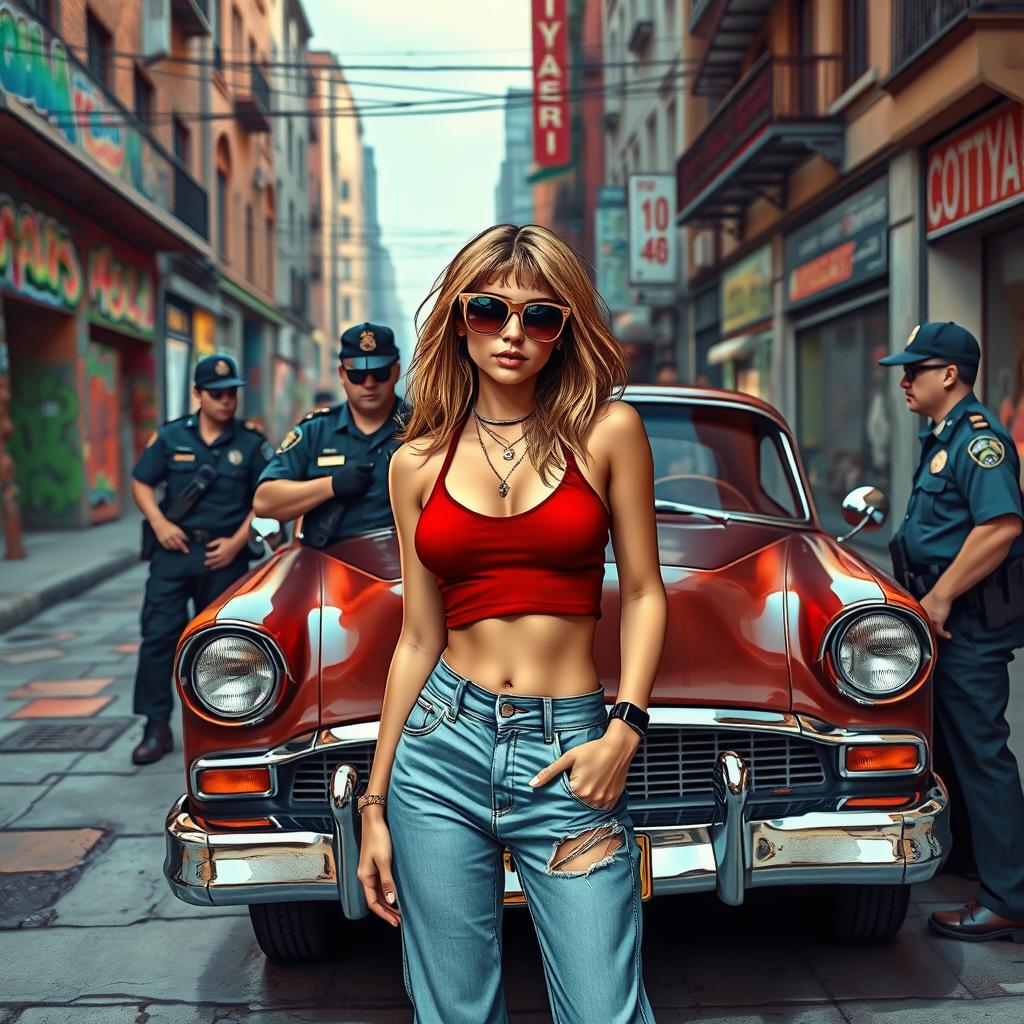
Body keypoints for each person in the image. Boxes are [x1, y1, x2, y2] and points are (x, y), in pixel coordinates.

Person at [356, 224, 666, 1023]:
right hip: (439, 752)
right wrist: (375, 805)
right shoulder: (414, 462)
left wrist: (624, 727)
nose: (513, 333)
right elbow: (417, 637)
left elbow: (642, 591)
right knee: (454, 1011)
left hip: (570, 750)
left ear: (564, 332)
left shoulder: (609, 432)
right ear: (460, 320)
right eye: (491, 310)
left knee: (604, 1009)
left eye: (541, 317)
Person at [880, 321, 1024, 941]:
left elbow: (1001, 526)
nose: (904, 379)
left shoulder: (978, 443)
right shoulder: (942, 436)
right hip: (942, 617)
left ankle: (1007, 897)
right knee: (955, 750)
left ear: (950, 374)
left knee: (982, 755)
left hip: (964, 622)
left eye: (916, 368)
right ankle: (976, 865)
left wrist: (937, 600)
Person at [129, 354, 272, 765]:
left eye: (232, 393)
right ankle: (155, 727)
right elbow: (141, 481)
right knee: (158, 639)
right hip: (173, 553)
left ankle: (223, 728)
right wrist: (158, 523)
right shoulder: (172, 438)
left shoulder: (249, 444)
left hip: (223, 558)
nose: (227, 401)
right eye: (217, 394)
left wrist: (237, 541)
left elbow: (267, 496)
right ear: (197, 394)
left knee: (226, 647)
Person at [253, 322, 405, 546]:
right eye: (358, 375)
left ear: (396, 371)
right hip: (329, 567)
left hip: (403, 568)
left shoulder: (426, 428)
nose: (369, 383)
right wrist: (330, 486)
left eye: (379, 373)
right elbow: (265, 502)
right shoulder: (315, 431)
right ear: (342, 374)